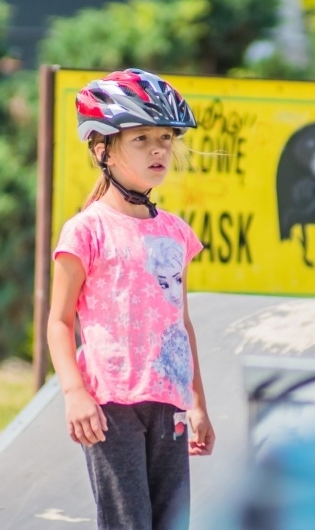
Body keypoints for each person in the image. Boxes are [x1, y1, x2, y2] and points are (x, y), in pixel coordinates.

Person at [47, 68, 216, 530]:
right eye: (140, 138)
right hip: (112, 406)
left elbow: (182, 323)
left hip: (170, 402)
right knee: (129, 524)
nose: (159, 148)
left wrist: (197, 403)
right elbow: (59, 322)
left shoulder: (177, 232)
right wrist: (74, 393)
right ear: (103, 149)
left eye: (164, 137)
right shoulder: (87, 230)